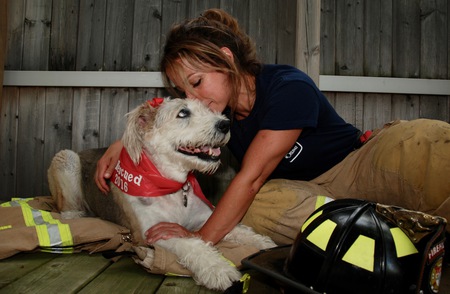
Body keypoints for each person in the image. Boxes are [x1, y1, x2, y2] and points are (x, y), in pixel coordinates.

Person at [95, 9, 450, 246]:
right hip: (309, 193)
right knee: (258, 208)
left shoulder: (287, 86)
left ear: (227, 59)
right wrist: (122, 143)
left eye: (197, 82)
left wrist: (200, 239)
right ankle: (391, 232)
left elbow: (248, 178)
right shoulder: (220, 118)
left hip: (357, 164)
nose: (193, 99)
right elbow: (163, 120)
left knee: (424, 140)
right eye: (183, 92)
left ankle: (384, 222)